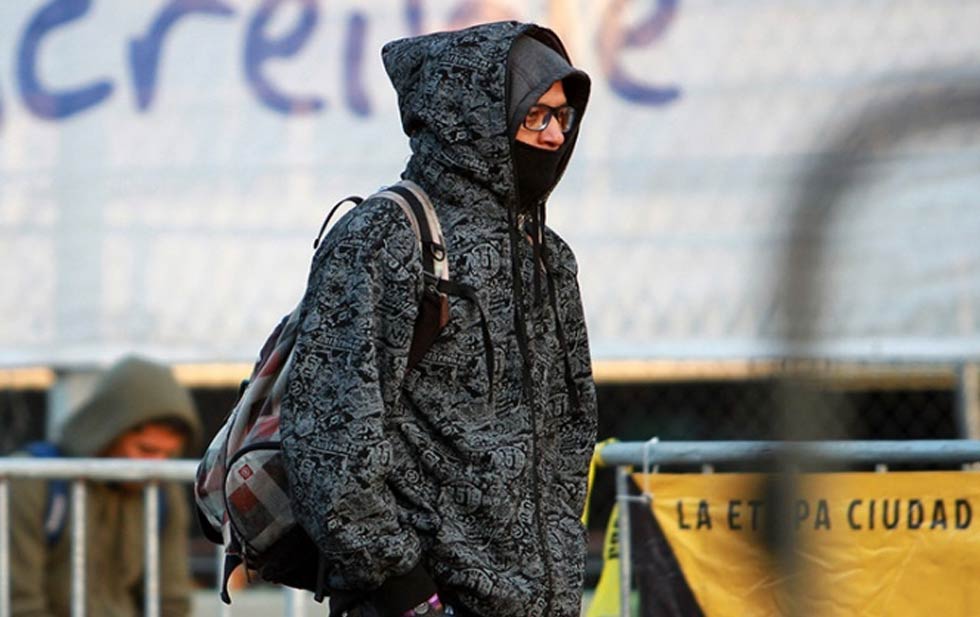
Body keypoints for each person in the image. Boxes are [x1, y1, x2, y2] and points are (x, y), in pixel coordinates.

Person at [279, 21, 597, 617]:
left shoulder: (548, 257)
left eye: (563, 117)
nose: (555, 135)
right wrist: (403, 586)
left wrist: (559, 554)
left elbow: (571, 433)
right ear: (474, 117)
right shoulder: (385, 236)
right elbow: (331, 431)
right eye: (536, 116)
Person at [9, 356, 203, 617]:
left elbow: (171, 603)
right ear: (108, 431)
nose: (156, 465)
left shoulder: (161, 495)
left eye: (167, 454)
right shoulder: (32, 480)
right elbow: (18, 602)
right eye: (145, 449)